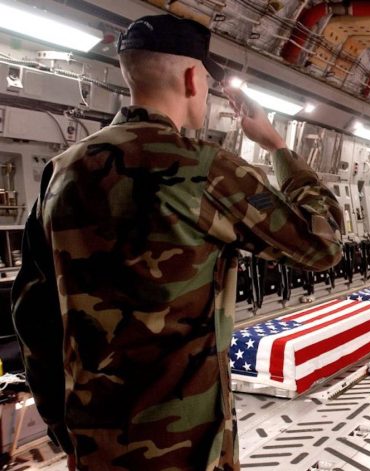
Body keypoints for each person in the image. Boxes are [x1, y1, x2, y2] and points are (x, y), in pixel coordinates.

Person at [11, 15, 345, 470]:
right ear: (192, 78)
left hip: (94, 442)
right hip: (189, 446)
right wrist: (276, 148)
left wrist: (63, 429)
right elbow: (321, 245)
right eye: (206, 81)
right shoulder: (207, 170)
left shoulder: (60, 172)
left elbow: (33, 315)